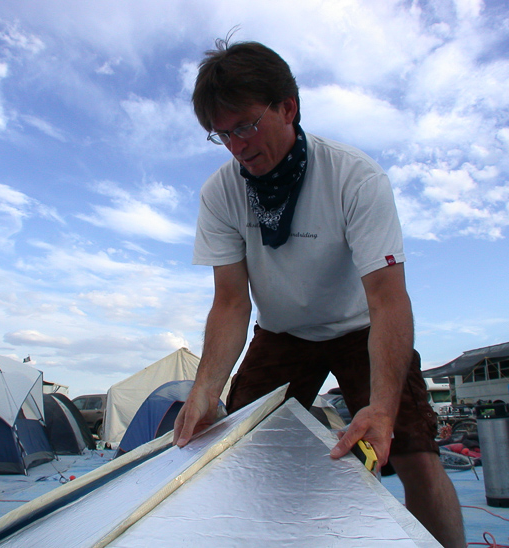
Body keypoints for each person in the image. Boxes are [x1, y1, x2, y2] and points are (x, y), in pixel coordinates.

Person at [173, 38, 465, 548]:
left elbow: (387, 298)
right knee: (244, 447)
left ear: (288, 107)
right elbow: (230, 302)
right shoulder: (221, 192)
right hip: (283, 334)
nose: (237, 145)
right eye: (222, 135)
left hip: (362, 328)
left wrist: (381, 408)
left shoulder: (354, 177)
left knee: (415, 455)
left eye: (245, 125)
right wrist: (205, 389)